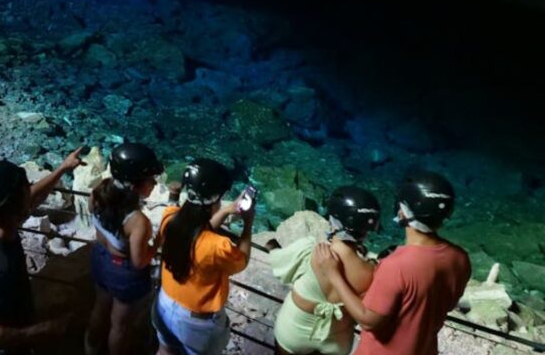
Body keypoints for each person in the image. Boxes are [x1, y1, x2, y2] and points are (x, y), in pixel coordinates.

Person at [312, 171, 471, 355]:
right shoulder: (460, 258)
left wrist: (334, 274)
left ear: (402, 211)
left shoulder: (395, 265)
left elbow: (367, 320)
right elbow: (446, 304)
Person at [0, 148, 86, 354]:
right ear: (16, 208)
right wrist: (47, 328)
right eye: (26, 189)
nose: (30, 189)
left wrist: (62, 169)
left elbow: (30, 199)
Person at [153, 159, 255, 355]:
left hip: (164, 304)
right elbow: (241, 260)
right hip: (195, 323)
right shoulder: (217, 246)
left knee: (166, 351)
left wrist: (226, 210)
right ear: (217, 197)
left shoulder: (170, 218)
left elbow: (197, 231)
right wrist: (248, 225)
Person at [272, 186, 381, 355]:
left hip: (293, 331)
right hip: (337, 342)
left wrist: (272, 247)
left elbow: (278, 267)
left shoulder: (309, 251)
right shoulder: (373, 271)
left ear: (334, 221)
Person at [85, 143, 163, 355]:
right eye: (150, 179)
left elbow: (94, 215)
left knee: (100, 306)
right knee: (120, 325)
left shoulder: (99, 192)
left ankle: (90, 347)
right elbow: (139, 261)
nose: (155, 182)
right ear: (135, 185)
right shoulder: (138, 221)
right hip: (123, 273)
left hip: (100, 258)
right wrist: (157, 243)